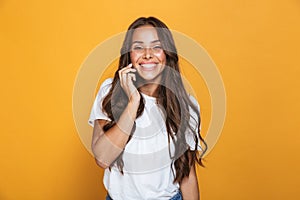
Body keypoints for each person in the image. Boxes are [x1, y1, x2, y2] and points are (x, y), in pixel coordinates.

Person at [88, 16, 207, 200]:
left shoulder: (186, 105)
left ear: (167, 54)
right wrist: (133, 102)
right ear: (129, 56)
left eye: (156, 46)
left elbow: (187, 173)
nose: (148, 54)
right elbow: (102, 158)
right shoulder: (110, 92)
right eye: (138, 47)